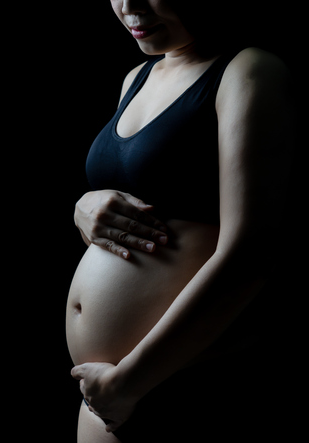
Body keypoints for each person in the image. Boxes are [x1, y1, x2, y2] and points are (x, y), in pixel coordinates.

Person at [64, 1, 296, 441]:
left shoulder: (248, 70)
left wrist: (129, 382)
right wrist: (86, 207)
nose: (129, 6)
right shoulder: (137, 77)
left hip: (179, 375)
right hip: (107, 390)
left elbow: (251, 252)